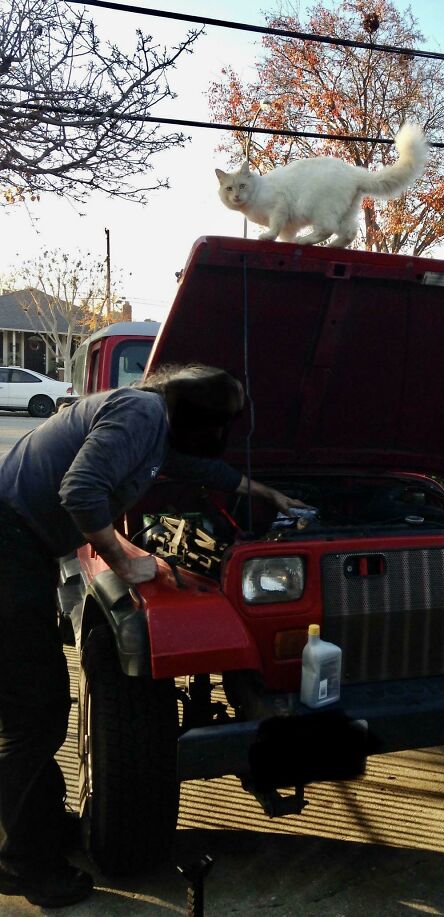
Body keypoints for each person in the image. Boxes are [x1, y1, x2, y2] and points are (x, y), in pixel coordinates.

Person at [0, 364, 304, 908]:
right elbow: (81, 489)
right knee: (34, 711)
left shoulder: (150, 418)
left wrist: (266, 493)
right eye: (219, 425)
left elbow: (196, 467)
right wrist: (122, 557)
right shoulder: (141, 413)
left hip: (21, 545)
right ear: (196, 415)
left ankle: (37, 831)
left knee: (32, 707)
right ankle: (25, 866)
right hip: (9, 546)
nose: (219, 435)